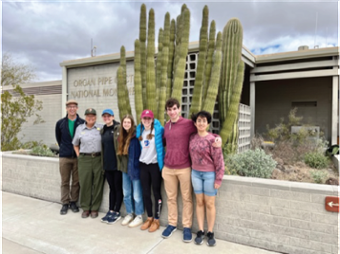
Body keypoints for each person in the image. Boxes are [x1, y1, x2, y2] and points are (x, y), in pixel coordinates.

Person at [161, 98, 221, 243]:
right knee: (171, 198)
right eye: (169, 109)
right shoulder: (166, 125)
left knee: (187, 198)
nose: (172, 112)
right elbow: (163, 142)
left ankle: (187, 227)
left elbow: (204, 131)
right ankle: (172, 224)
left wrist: (217, 138)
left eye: (174, 108)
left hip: (184, 168)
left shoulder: (188, 124)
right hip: (168, 168)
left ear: (179, 109)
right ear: (167, 111)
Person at [189, 111, 224, 247]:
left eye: (204, 121)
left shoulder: (213, 140)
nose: (201, 123)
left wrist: (218, 179)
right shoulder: (192, 137)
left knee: (209, 203)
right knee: (199, 202)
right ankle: (200, 230)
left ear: (208, 123)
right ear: (195, 123)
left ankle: (210, 232)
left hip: (209, 175)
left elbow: (219, 160)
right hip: (195, 173)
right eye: (199, 120)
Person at [72, 108, 104, 219]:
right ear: (85, 117)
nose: (91, 118)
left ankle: (95, 208)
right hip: (84, 159)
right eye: (88, 116)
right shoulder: (79, 129)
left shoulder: (101, 127)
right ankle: (86, 208)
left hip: (98, 159)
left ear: (96, 117)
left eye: (93, 115)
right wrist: (79, 155)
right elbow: (75, 144)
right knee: (85, 183)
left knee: (98, 183)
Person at [136, 110, 164, 232]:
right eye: (144, 118)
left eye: (149, 118)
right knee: (146, 193)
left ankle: (157, 219)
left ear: (152, 119)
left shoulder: (159, 130)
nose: (146, 120)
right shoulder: (139, 131)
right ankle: (149, 217)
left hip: (154, 165)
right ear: (141, 119)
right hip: (143, 165)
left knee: (156, 192)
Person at [55, 99, 85, 215]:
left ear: (77, 108)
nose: (72, 108)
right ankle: (65, 203)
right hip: (64, 157)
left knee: (76, 181)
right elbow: (59, 138)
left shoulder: (82, 123)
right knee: (65, 181)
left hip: (78, 156)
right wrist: (65, 148)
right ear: (66, 108)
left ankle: (73, 202)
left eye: (74, 106)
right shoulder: (60, 123)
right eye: (69, 106)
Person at [117, 115, 144, 228]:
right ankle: (129, 213)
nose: (126, 124)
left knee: (137, 194)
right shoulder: (121, 137)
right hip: (125, 169)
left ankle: (139, 215)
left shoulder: (136, 137)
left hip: (135, 169)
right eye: (125, 122)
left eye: (128, 122)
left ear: (132, 124)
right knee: (126, 193)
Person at [100, 109, 123, 224]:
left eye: (109, 116)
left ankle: (117, 212)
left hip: (117, 165)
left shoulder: (118, 128)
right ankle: (111, 210)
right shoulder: (103, 130)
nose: (106, 118)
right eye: (104, 116)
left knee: (118, 188)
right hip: (107, 164)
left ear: (113, 117)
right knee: (112, 188)